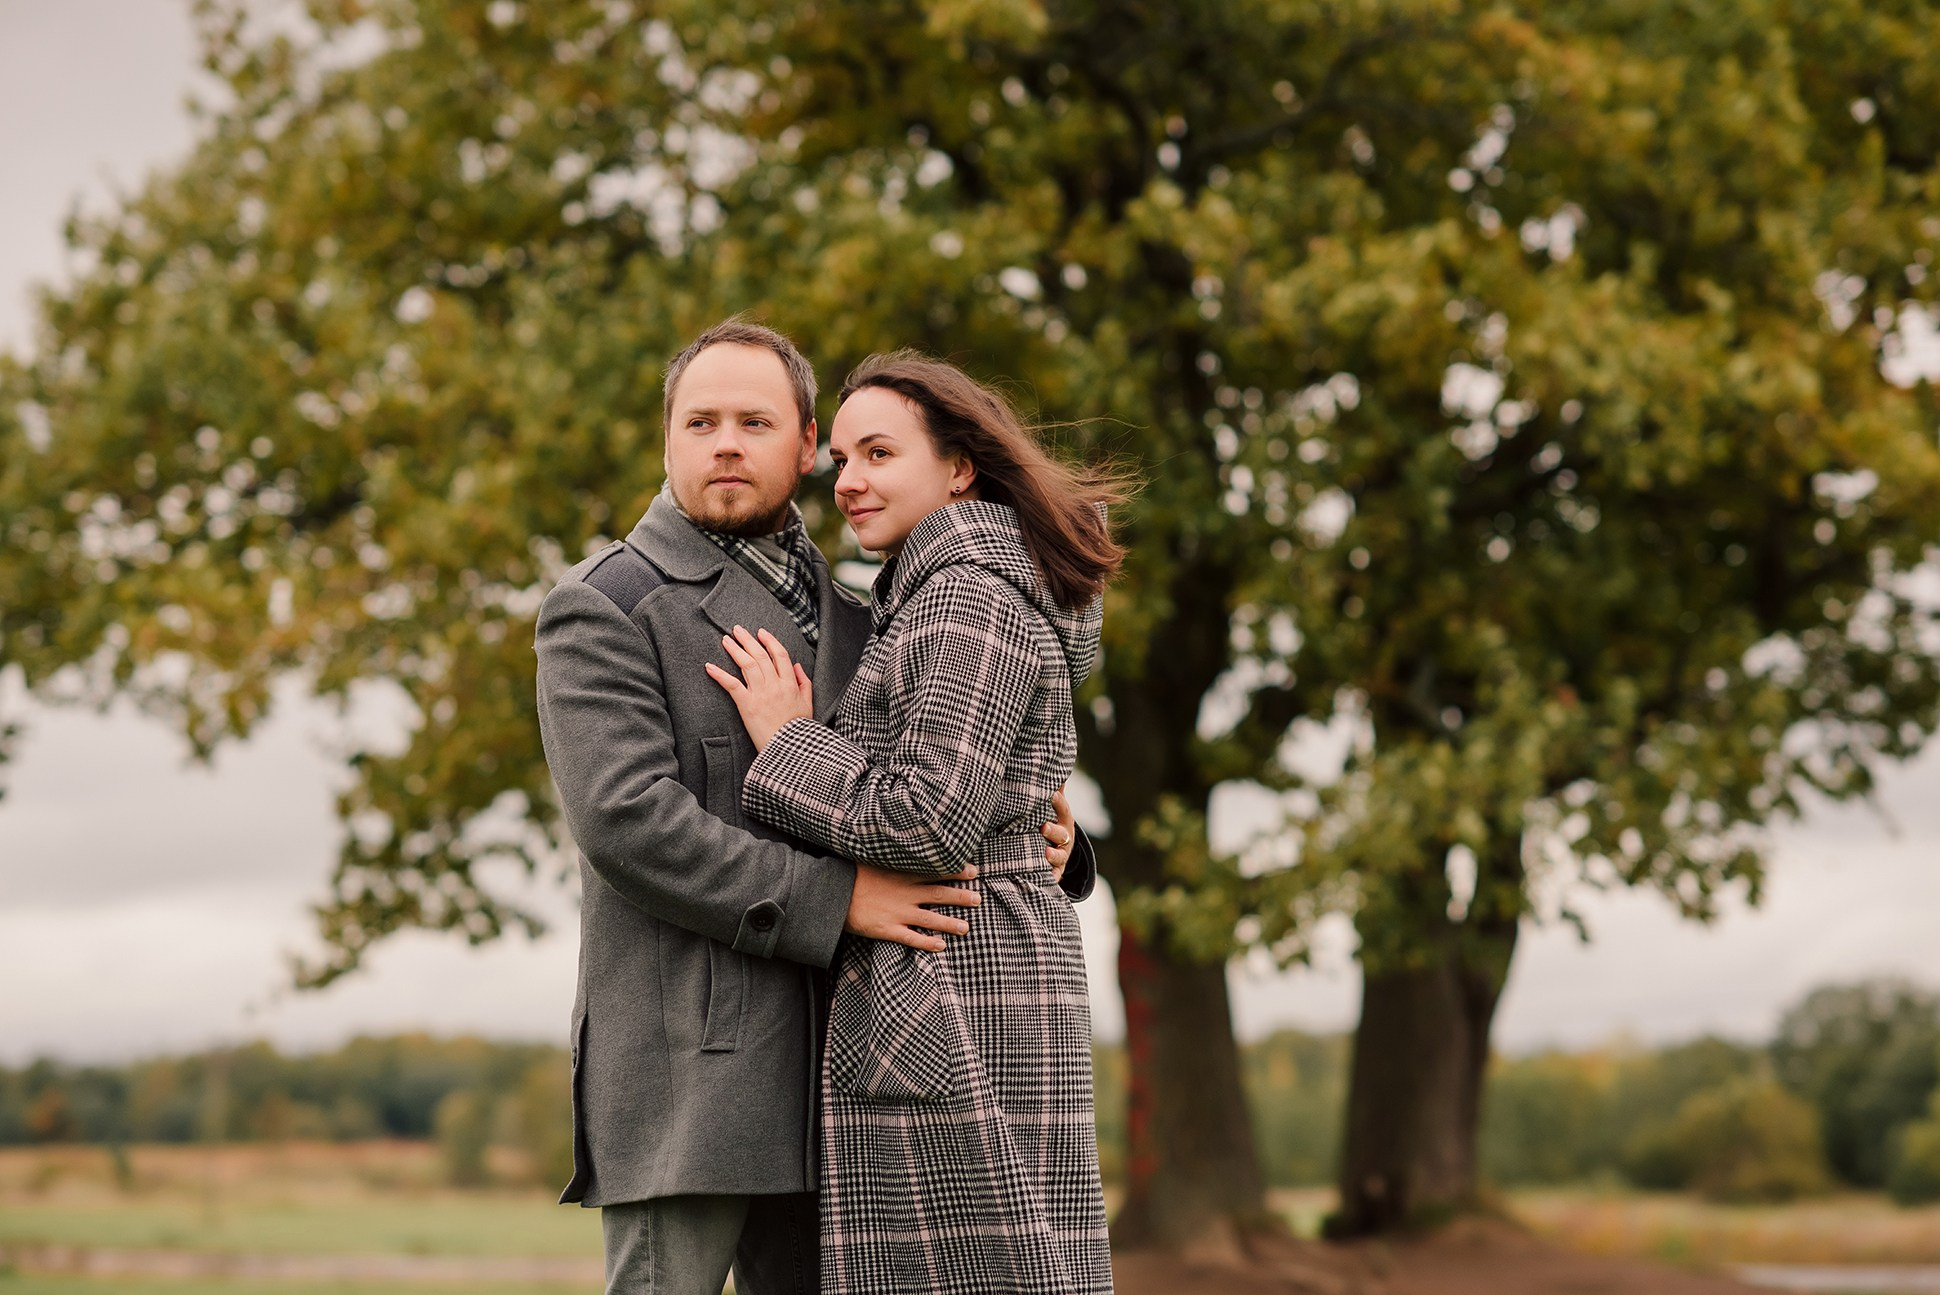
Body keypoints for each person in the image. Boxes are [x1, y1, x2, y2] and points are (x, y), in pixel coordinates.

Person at [533, 320, 1093, 1295]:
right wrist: (839, 900)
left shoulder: (866, 609)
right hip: (695, 1079)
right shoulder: (606, 604)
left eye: (754, 422)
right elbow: (628, 822)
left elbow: (937, 773)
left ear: (804, 447)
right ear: (667, 439)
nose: (724, 443)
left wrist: (1055, 836)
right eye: (700, 421)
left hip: (857, 1079)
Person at [708, 352, 1123, 1295]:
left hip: (954, 976)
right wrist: (1044, 835)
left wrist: (787, 740)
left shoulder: (965, 593)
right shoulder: (940, 589)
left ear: (960, 467)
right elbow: (981, 789)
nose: (849, 481)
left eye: (880, 453)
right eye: (841, 459)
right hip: (973, 967)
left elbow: (927, 819)